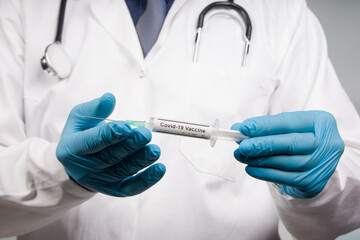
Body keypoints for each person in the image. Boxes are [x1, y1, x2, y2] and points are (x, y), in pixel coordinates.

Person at [0, 0, 359, 239]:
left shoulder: (281, 12)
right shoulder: (23, 7)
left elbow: (346, 196)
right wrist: (58, 172)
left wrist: (322, 182)